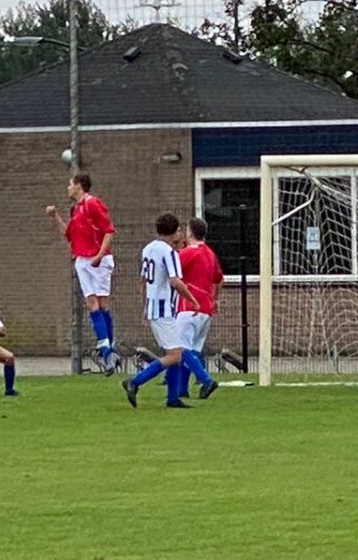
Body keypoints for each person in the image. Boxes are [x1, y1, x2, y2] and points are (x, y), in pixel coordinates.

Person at [45, 173, 117, 372]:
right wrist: (56, 217)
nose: (68, 188)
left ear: (79, 185)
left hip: (97, 258)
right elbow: (69, 235)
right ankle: (106, 350)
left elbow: (109, 231)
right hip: (82, 259)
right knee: (91, 302)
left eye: (70, 184)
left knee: (102, 303)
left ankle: (109, 349)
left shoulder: (92, 203)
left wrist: (100, 255)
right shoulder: (75, 208)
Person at [124, 214, 192, 409]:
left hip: (154, 307)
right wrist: (193, 300)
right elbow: (175, 281)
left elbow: (144, 281)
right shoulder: (168, 252)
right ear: (174, 232)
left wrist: (144, 306)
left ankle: (173, 398)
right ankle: (134, 381)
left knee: (175, 351)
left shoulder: (148, 249)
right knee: (175, 355)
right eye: (179, 230)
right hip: (164, 309)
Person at [177, 216, 224, 400]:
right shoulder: (210, 254)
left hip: (189, 306)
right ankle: (182, 389)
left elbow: (172, 273)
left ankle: (206, 380)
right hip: (206, 309)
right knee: (193, 350)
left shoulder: (188, 252)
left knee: (181, 348)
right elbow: (219, 280)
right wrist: (215, 299)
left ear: (190, 232)